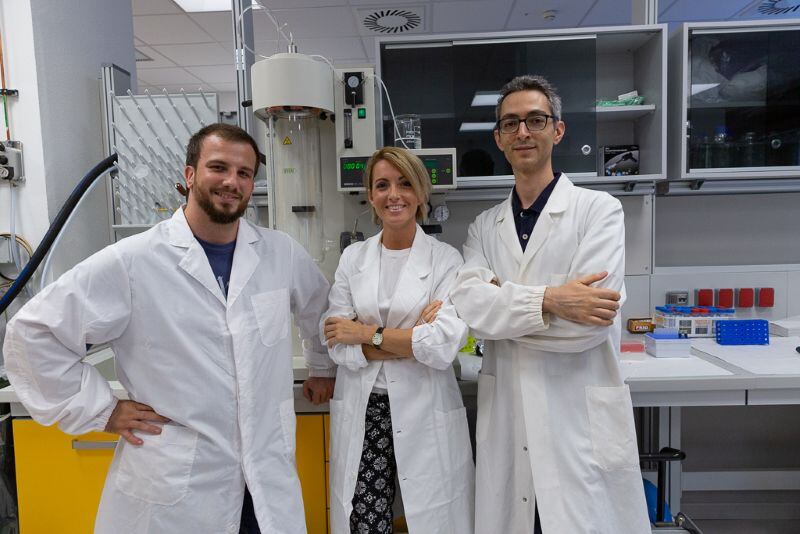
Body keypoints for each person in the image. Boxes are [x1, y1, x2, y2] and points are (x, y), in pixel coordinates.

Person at [2, 123, 336, 534]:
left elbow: (320, 309)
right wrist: (102, 410)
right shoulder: (134, 260)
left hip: (265, 478)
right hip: (180, 486)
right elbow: (32, 333)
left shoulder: (280, 252)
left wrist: (322, 366)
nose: (231, 182)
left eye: (244, 173)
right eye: (219, 167)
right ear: (190, 174)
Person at [450, 75, 651, 533]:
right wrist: (555, 299)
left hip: (576, 420)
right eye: (511, 123)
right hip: (510, 419)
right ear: (499, 138)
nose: (523, 132)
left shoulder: (598, 211)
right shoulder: (484, 226)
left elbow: (587, 328)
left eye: (535, 120)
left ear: (557, 130)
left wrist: (504, 306)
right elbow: (471, 309)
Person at [322, 147, 474, 534]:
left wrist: (366, 333)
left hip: (425, 407)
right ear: (371, 196)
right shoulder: (353, 258)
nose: (394, 194)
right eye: (382, 185)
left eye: (405, 184)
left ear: (421, 192)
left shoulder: (446, 260)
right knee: (365, 521)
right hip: (365, 409)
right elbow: (336, 340)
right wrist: (409, 340)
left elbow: (441, 345)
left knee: (433, 519)